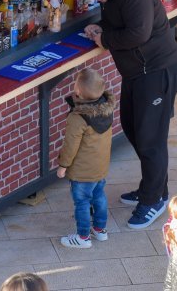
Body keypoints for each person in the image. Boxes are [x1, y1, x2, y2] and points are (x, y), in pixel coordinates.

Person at [78, 0, 177, 230]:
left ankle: (154, 200)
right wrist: (101, 28)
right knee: (133, 129)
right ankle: (155, 187)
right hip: (138, 73)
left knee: (151, 138)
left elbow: (138, 33)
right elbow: (120, 22)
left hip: (158, 71)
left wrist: (106, 40)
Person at [57, 67, 115, 248]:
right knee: (99, 197)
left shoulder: (78, 118)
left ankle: (82, 237)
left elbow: (70, 145)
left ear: (78, 91)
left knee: (82, 203)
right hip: (100, 167)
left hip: (82, 171)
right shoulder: (106, 109)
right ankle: (99, 230)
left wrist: (63, 165)